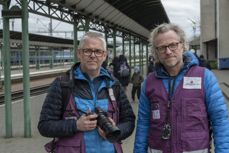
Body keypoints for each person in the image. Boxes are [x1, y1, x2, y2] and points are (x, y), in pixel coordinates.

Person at [134, 23, 229, 153]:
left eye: (173, 45)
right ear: (156, 52)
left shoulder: (205, 77)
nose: (168, 51)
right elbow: (143, 124)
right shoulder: (149, 83)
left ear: (183, 45)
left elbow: (220, 120)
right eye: (162, 47)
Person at [38, 31, 135, 153]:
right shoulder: (63, 85)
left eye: (98, 51)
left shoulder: (114, 85)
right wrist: (76, 125)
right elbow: (44, 125)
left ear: (104, 55)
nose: (93, 55)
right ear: (79, 53)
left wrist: (116, 131)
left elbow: (129, 121)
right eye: (87, 51)